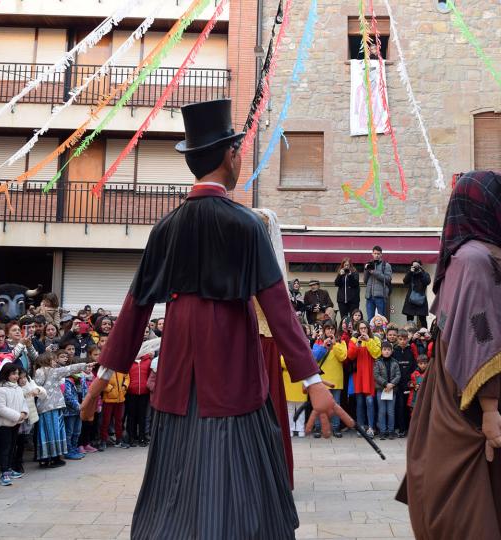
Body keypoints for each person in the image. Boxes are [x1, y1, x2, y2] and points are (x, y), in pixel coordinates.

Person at [90, 99, 341, 539]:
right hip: (231, 375)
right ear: (229, 156)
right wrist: (313, 381)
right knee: (237, 490)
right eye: (238, 151)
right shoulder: (246, 225)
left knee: (174, 486)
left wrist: (102, 374)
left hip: (176, 380)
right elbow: (280, 310)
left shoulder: (165, 229)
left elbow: (135, 308)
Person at [398, 171, 501, 539]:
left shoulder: (478, 250)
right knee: (476, 486)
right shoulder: (476, 258)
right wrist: (491, 408)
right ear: (484, 205)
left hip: (484, 375)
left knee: (499, 486)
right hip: (479, 383)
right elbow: (480, 332)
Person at [0, 363, 28, 487]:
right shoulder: (0, 389)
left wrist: (24, 412)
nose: (16, 376)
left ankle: (9, 468)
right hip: (5, 424)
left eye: (17, 373)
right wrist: (17, 415)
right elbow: (0, 408)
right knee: (5, 448)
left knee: (12, 446)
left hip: (16, 423)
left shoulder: (17, 388)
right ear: (6, 374)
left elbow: (23, 402)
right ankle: (4, 471)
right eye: (13, 374)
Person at [348, 321, 380, 436]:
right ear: (358, 329)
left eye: (365, 328)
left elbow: (377, 354)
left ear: (368, 329)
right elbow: (350, 356)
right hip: (358, 375)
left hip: (370, 375)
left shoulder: (374, 339)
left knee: (370, 401)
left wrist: (368, 341)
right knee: (360, 402)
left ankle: (371, 427)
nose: (363, 331)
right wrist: (357, 345)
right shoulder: (353, 340)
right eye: (361, 329)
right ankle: (361, 427)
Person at [374, 340, 401, 440]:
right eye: (384, 349)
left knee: (390, 411)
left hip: (392, 390)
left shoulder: (395, 362)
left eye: (388, 350)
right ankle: (382, 431)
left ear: (392, 351)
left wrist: (392, 384)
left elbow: (398, 375)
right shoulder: (378, 362)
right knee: (382, 411)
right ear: (381, 351)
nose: (386, 352)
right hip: (381, 390)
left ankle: (391, 431)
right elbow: (376, 375)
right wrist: (385, 384)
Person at [100, 369, 129, 449]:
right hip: (108, 399)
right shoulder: (106, 367)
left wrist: (124, 386)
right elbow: (101, 380)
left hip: (120, 398)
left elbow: (127, 377)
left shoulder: (122, 367)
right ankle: (103, 441)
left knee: (119, 421)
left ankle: (119, 440)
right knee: (106, 421)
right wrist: (110, 389)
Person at [364, 246, 392, 321]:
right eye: (375, 253)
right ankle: (370, 332)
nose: (376, 255)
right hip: (369, 296)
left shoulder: (386, 265)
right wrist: (367, 270)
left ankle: (382, 332)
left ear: (381, 254)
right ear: (372, 254)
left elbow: (388, 279)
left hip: (381, 296)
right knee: (370, 319)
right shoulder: (369, 264)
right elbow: (365, 280)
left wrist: (374, 272)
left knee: (382, 319)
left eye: (378, 254)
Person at [402, 260, 431, 329]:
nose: (415, 267)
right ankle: (409, 333)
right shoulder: (410, 274)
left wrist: (421, 273)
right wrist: (410, 272)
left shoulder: (425, 274)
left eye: (417, 265)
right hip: (411, 299)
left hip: (421, 299)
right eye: (414, 265)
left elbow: (427, 282)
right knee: (409, 319)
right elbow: (405, 281)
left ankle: (425, 334)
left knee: (422, 319)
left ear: (420, 266)